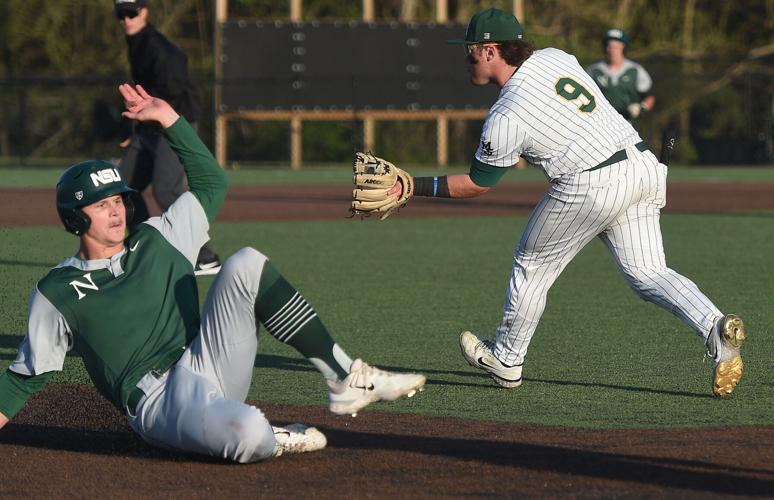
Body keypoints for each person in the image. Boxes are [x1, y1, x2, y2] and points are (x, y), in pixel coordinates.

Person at [0, 84, 426, 463]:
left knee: (245, 262)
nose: (115, 210)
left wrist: (170, 120)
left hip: (208, 358)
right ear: (75, 219)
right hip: (158, 402)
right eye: (100, 204)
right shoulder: (57, 291)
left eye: (118, 199)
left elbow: (211, 184)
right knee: (250, 435)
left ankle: (344, 378)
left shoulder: (157, 236)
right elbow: (23, 379)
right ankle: (268, 435)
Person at [389, 8, 745, 397]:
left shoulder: (506, 114)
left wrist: (410, 185)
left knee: (531, 263)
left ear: (491, 50)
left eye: (471, 49)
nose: (467, 58)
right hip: (641, 164)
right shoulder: (556, 57)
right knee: (649, 272)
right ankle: (713, 326)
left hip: (590, 182)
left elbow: (477, 184)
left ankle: (508, 359)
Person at [114, 0, 221, 275]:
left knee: (165, 188)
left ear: (144, 12)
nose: (126, 19)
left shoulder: (159, 46)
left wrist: (162, 119)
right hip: (148, 126)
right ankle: (150, 248)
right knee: (122, 188)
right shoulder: (136, 41)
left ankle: (204, 256)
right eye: (121, 14)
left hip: (174, 122)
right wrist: (135, 129)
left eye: (131, 12)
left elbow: (173, 85)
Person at [586, 28, 655, 121]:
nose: (612, 50)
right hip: (598, 122)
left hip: (626, 123)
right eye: (609, 46)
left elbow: (649, 96)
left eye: (616, 46)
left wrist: (641, 107)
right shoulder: (594, 71)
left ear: (623, 47)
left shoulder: (634, 70)